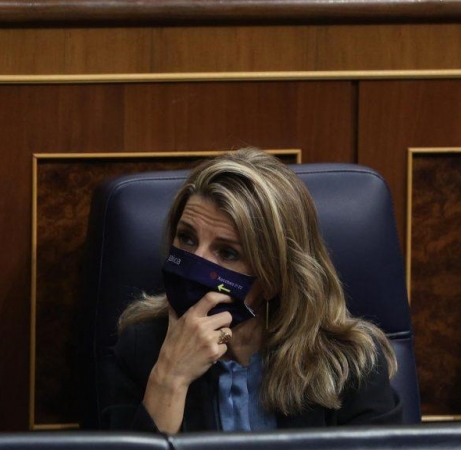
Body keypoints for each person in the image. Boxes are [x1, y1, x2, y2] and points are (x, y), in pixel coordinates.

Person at [99, 148, 402, 433]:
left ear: (274, 277)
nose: (194, 264)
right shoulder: (141, 351)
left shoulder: (347, 364)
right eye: (187, 238)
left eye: (228, 253)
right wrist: (169, 378)